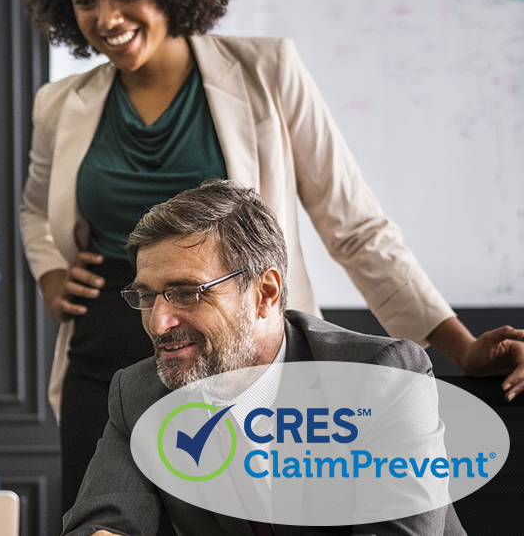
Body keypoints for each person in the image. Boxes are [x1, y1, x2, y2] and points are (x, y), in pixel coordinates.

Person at [19, 0, 524, 512]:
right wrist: (51, 273)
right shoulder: (59, 103)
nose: (107, 18)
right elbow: (34, 211)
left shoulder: (267, 72)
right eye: (85, 0)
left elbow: (355, 227)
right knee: (106, 517)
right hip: (104, 360)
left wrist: (460, 347)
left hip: (242, 360)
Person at [63, 179, 464, 536]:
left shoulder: (381, 379)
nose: (159, 322)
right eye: (147, 297)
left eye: (186, 292)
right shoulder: (140, 395)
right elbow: (101, 524)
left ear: (265, 293)